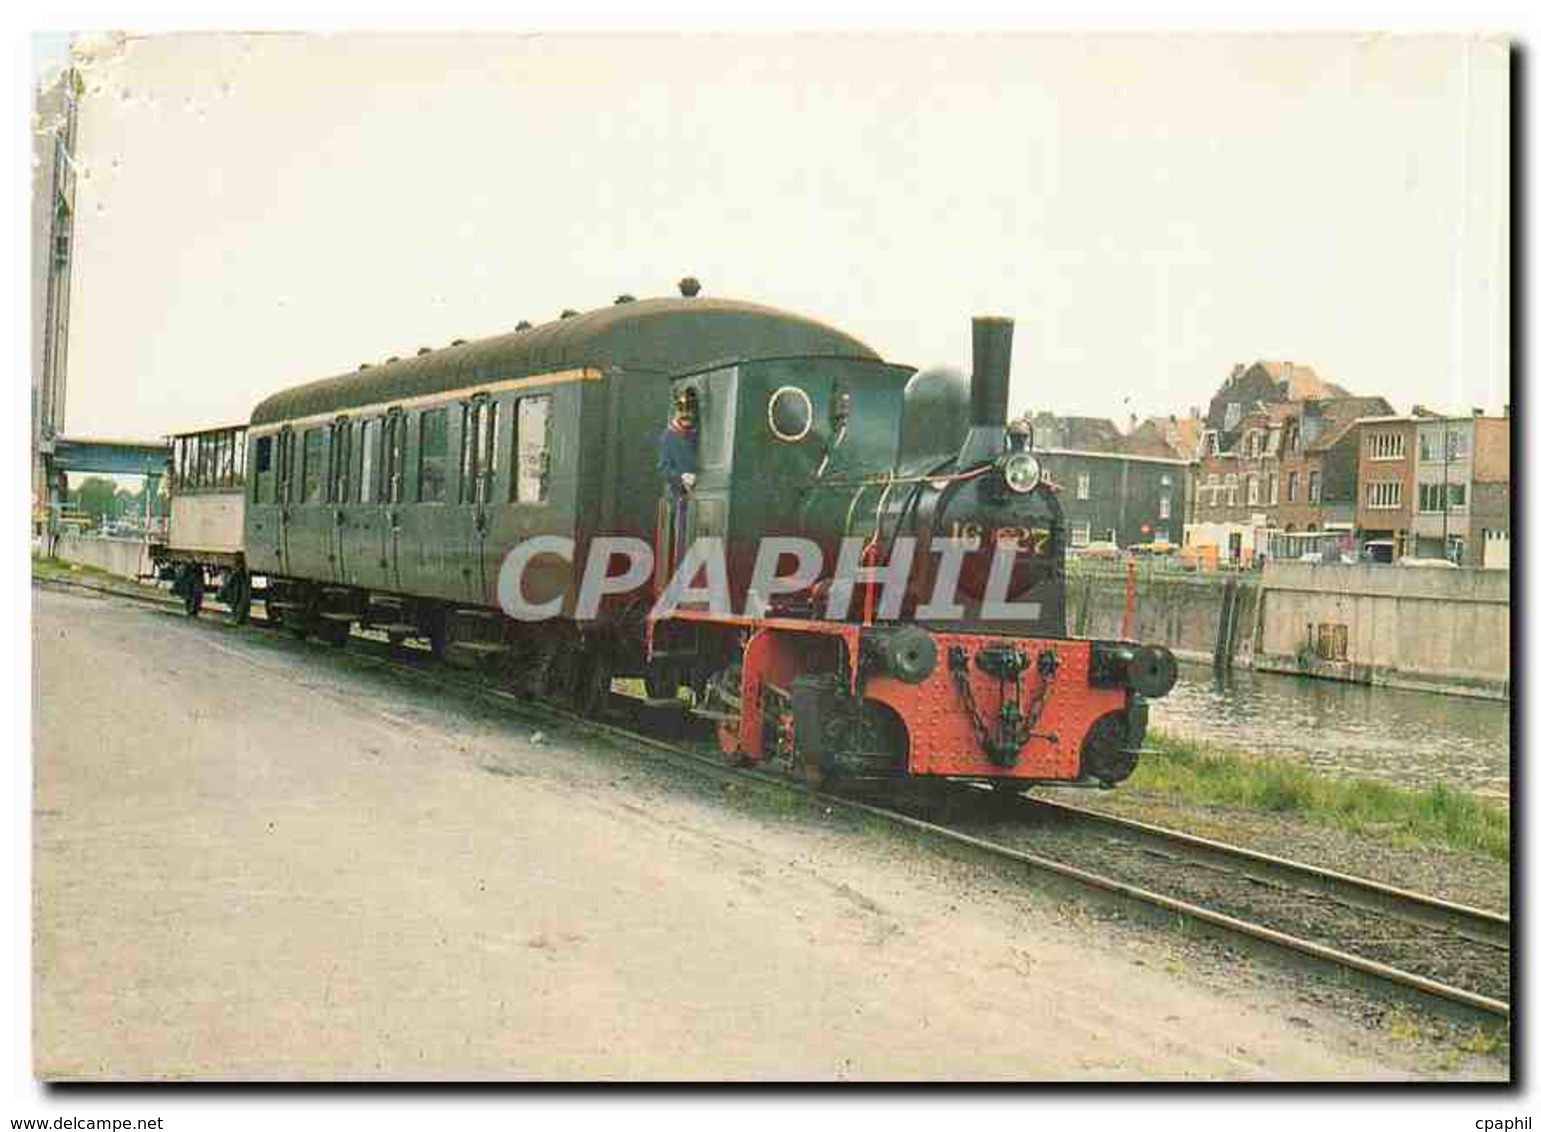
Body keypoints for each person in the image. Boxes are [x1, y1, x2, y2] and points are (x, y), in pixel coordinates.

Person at [657, 387, 699, 568]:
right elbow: (663, 469)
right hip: (678, 499)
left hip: (697, 499)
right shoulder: (668, 437)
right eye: (682, 411)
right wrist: (681, 477)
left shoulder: (695, 435)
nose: (685, 415)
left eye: (688, 411)